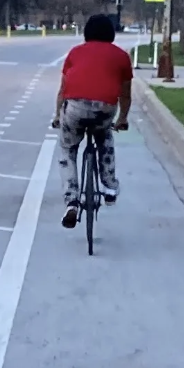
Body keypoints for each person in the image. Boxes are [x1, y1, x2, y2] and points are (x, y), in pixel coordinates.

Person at [51, 13, 133, 229]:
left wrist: (58, 116)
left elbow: (63, 89)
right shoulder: (122, 56)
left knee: (68, 150)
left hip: (75, 107)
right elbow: (125, 94)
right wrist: (122, 118)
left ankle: (71, 201)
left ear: (86, 33)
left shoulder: (75, 53)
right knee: (104, 138)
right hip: (105, 107)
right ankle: (109, 187)